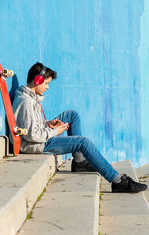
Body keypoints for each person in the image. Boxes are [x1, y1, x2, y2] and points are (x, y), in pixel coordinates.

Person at [12, 62, 147, 193]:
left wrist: (48, 124)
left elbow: (31, 125)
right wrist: (55, 131)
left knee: (72, 115)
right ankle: (118, 181)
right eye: (46, 83)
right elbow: (32, 135)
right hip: (37, 144)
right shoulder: (26, 102)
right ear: (37, 80)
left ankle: (80, 161)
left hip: (41, 137)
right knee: (83, 142)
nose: (48, 87)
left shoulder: (31, 98)